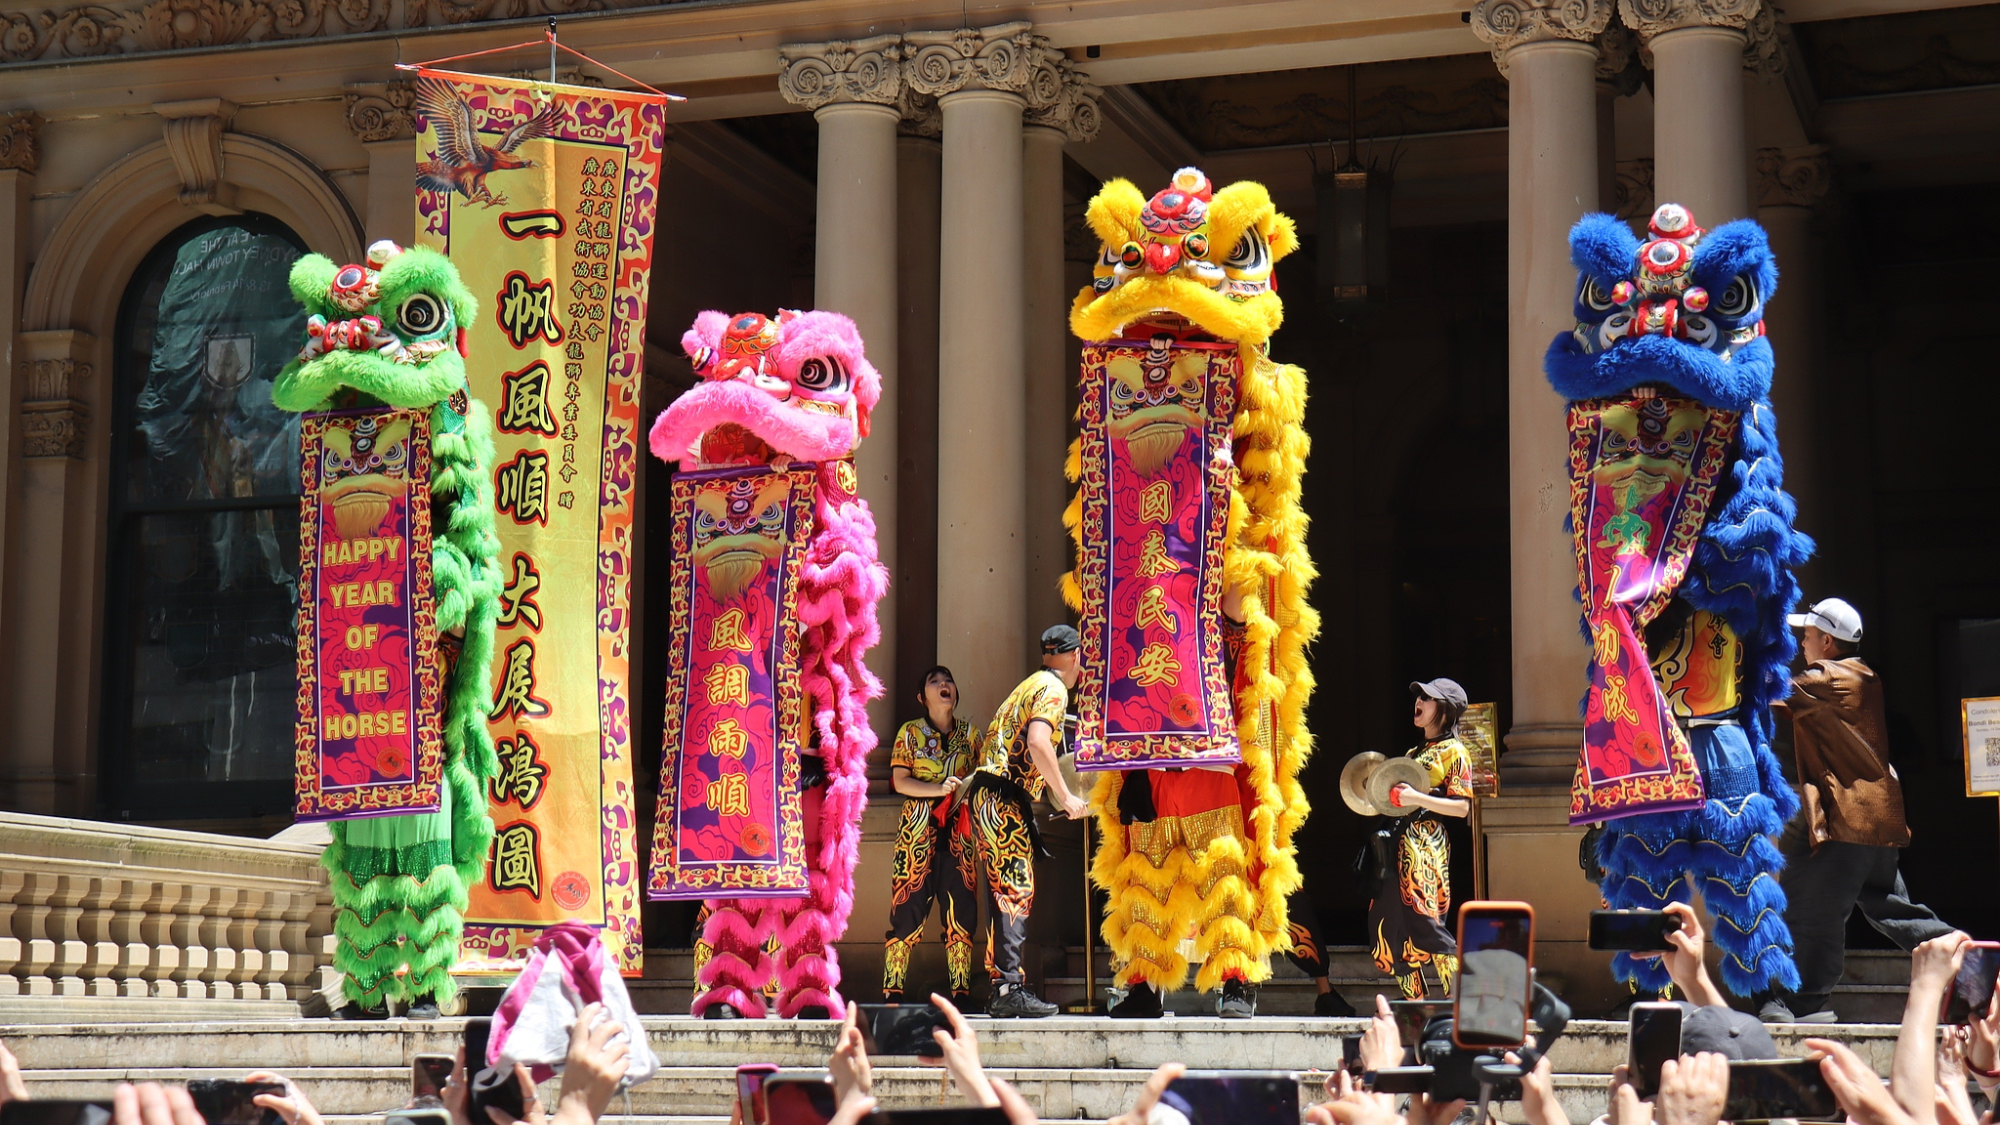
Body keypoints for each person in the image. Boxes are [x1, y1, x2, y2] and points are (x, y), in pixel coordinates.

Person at [1760, 598, 1951, 1024]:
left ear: (1827, 642)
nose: (1801, 643)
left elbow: (1767, 691)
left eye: (1807, 636)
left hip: (1845, 821)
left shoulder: (1828, 677)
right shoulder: (1863, 675)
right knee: (1890, 907)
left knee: (1810, 910)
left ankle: (1801, 1003)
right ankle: (1962, 954)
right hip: (1875, 819)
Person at [966, 624, 1090, 1018]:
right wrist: (1067, 796)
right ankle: (1008, 988)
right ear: (1075, 656)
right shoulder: (1053, 689)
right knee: (1015, 888)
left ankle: (1002, 985)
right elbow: (1038, 741)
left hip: (988, 796)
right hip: (1003, 798)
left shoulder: (1029, 684)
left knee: (1004, 891)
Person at [1366, 679, 1474, 999]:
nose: (1419, 701)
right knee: (1389, 929)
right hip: (1397, 844)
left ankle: (1461, 1002)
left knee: (1426, 922)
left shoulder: (1455, 751)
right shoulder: (1412, 753)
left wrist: (1417, 798)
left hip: (1425, 844)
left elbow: (1462, 808)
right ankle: (1416, 1011)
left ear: (1445, 710)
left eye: (1427, 698)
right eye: (1419, 696)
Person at [881, 666, 981, 1005]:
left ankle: (961, 994)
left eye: (948, 679)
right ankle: (893, 991)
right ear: (922, 697)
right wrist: (939, 789)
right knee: (907, 909)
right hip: (917, 833)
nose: (943, 685)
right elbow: (900, 781)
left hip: (959, 834)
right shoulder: (910, 733)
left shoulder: (971, 735)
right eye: (934, 681)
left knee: (961, 911)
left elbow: (981, 778)